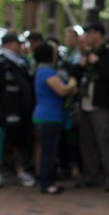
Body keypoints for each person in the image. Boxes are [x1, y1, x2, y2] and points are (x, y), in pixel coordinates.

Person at [0, 31, 35, 188]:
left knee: (16, 143)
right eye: (18, 44)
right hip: (2, 111)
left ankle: (20, 171)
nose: (20, 47)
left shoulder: (20, 64)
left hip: (18, 111)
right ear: (10, 44)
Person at [74, 22, 109, 190]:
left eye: (90, 32)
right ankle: (90, 175)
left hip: (102, 105)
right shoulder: (86, 53)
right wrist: (81, 66)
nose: (87, 35)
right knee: (86, 143)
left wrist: (98, 62)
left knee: (104, 142)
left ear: (98, 34)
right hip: (85, 104)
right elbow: (78, 76)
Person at [32, 42, 76, 195]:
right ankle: (46, 184)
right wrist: (72, 82)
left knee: (49, 150)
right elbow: (62, 90)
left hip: (49, 116)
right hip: (48, 117)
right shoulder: (45, 72)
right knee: (48, 151)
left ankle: (47, 181)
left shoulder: (43, 71)